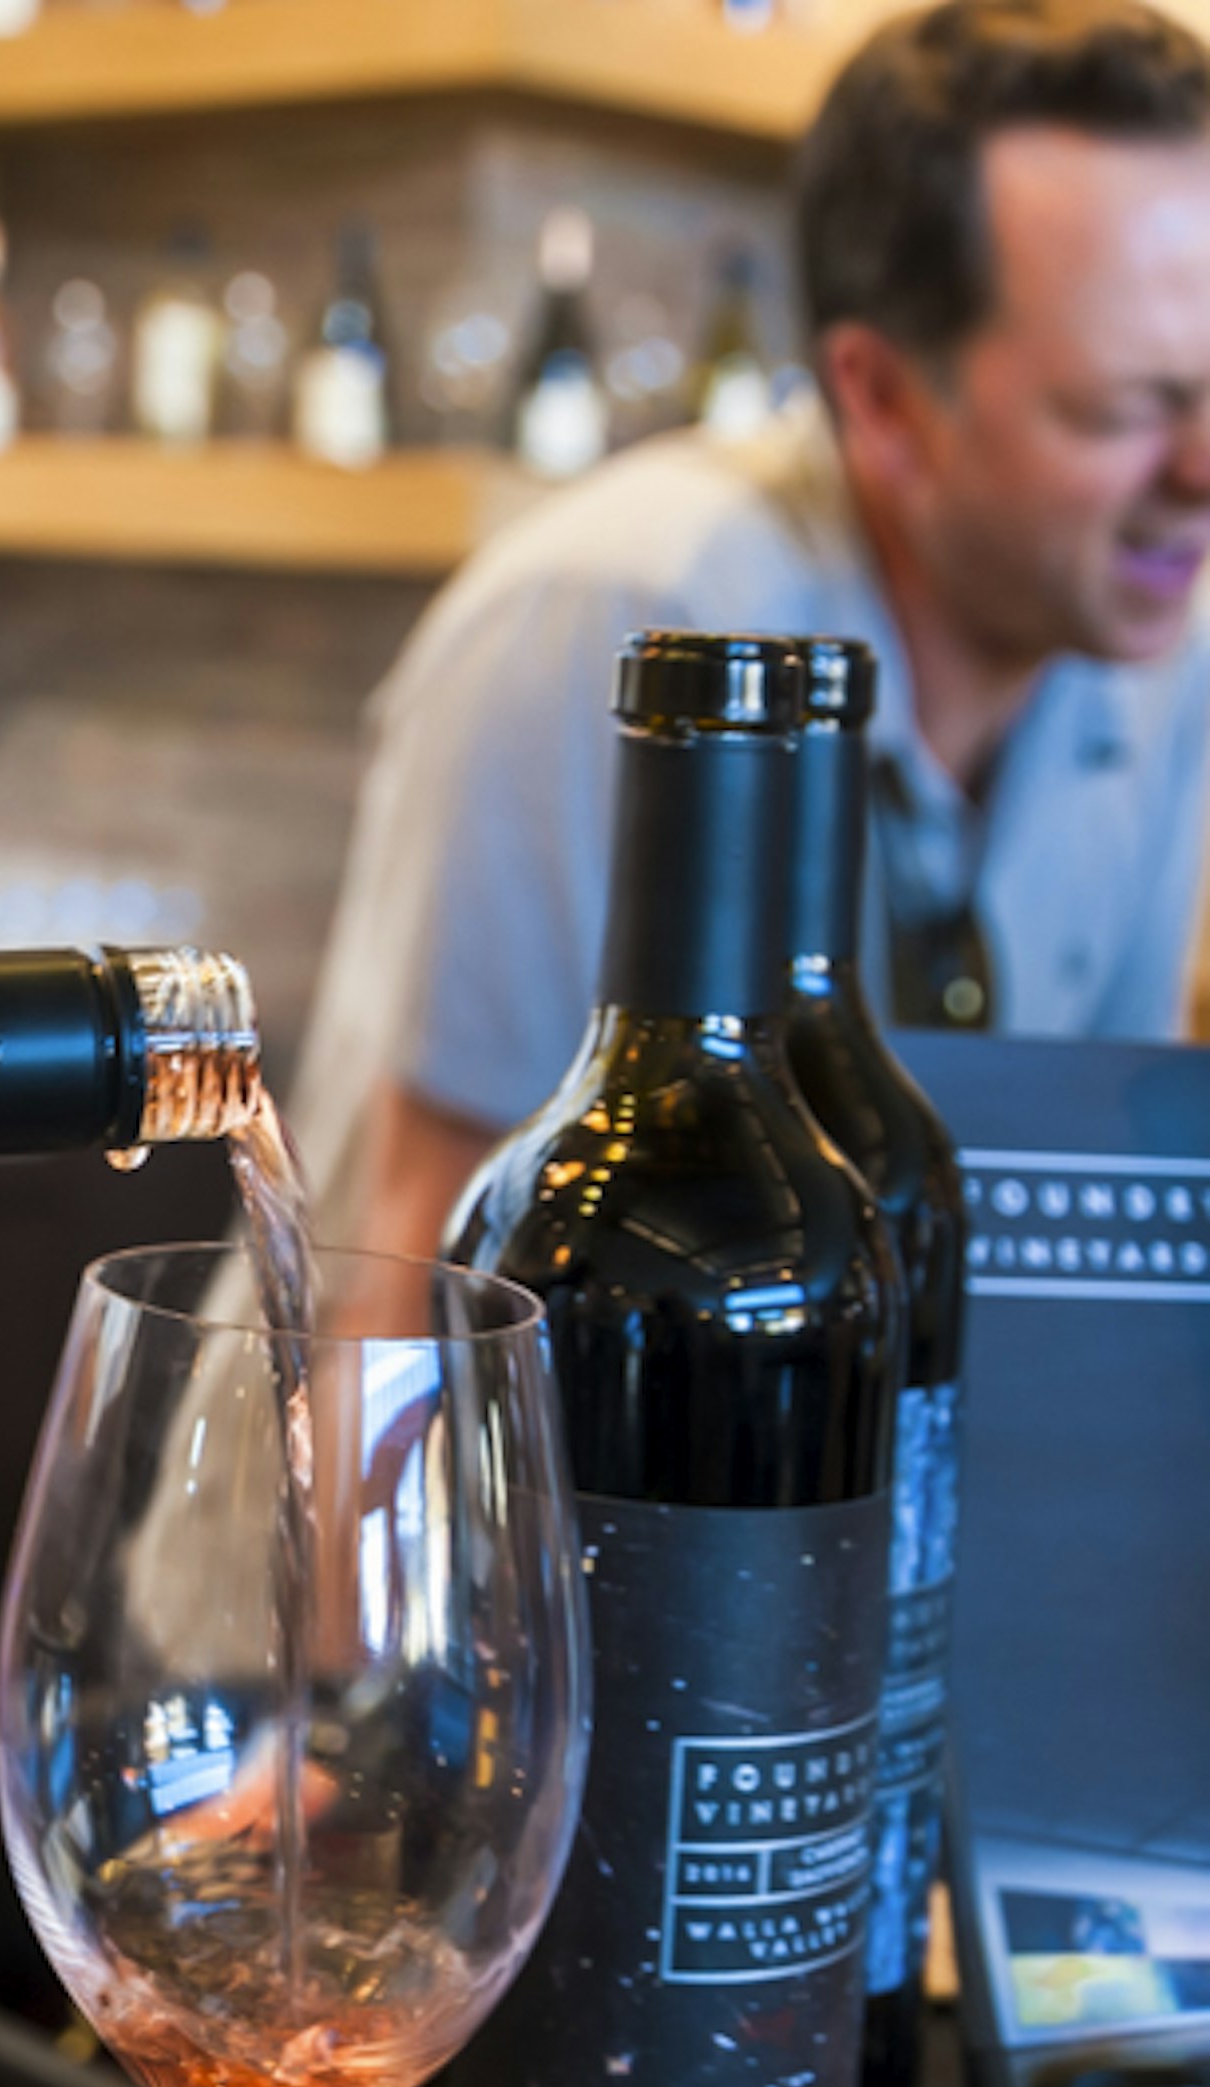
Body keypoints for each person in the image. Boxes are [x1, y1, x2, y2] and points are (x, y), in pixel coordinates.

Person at [296, 0, 1210, 1259]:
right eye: (1126, 407)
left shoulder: (1163, 648)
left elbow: (1099, 1222)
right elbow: (426, 1275)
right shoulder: (616, 623)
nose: (1201, 465)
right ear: (883, 399)